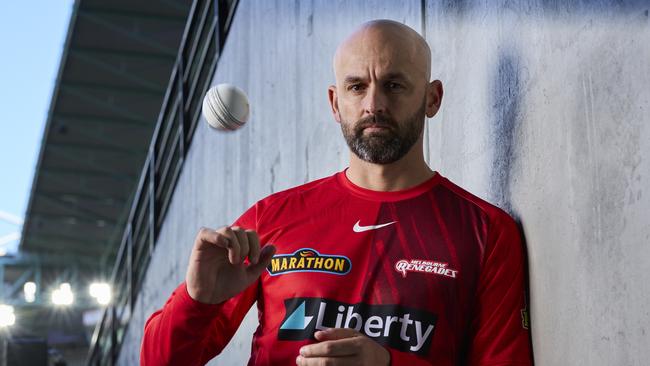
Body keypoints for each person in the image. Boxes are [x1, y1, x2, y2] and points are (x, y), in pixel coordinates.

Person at [140, 19, 533, 366]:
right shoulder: (271, 219)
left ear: (432, 98)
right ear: (334, 102)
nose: (373, 104)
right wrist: (197, 301)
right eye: (356, 87)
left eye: (394, 85)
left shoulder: (486, 232)